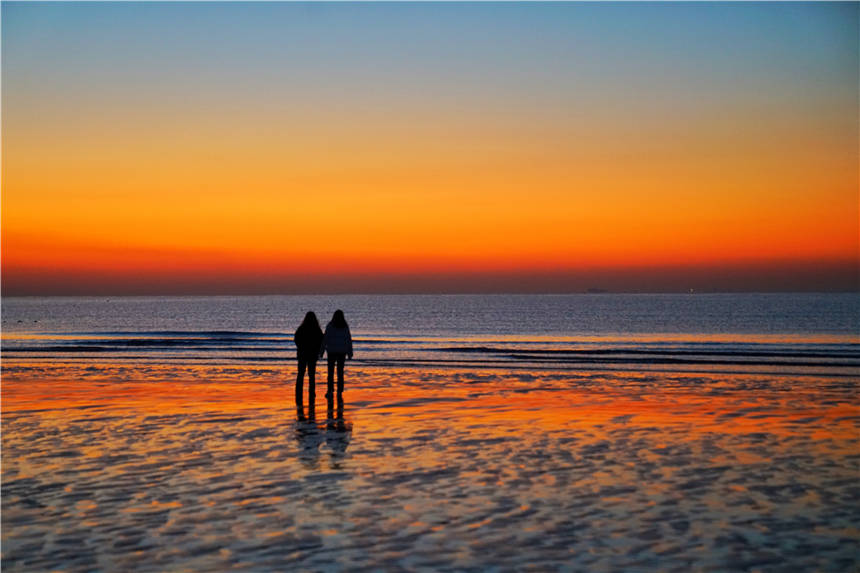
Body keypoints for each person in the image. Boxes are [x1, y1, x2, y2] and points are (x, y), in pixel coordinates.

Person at [319, 309, 353, 402]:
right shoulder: (345, 327)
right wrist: (350, 352)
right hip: (342, 352)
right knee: (340, 372)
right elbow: (348, 340)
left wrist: (321, 352)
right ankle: (340, 391)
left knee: (330, 372)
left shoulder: (330, 326)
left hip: (332, 351)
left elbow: (325, 339)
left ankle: (330, 390)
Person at [294, 311, 323, 405]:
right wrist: (318, 350)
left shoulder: (301, 328)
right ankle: (312, 392)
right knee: (311, 375)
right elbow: (321, 341)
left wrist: (300, 347)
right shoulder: (317, 329)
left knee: (301, 374)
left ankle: (299, 392)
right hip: (312, 354)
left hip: (302, 353)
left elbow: (296, 339)